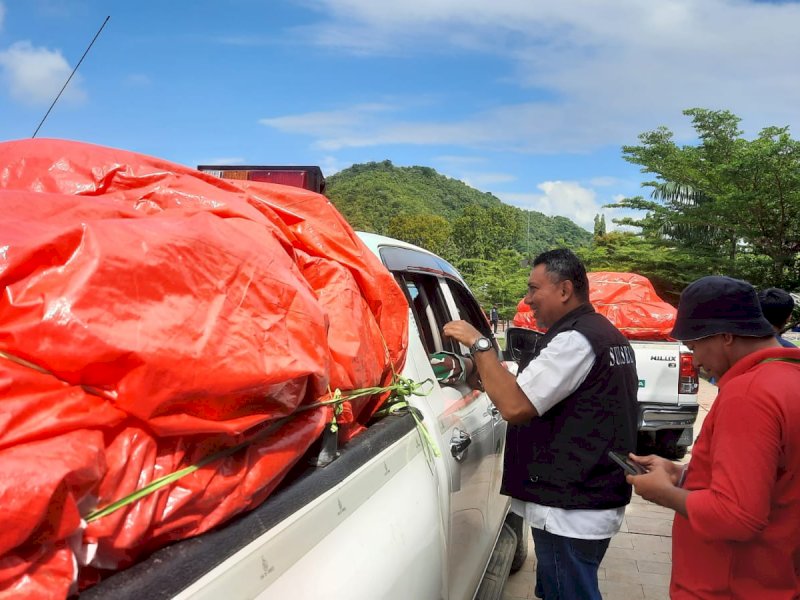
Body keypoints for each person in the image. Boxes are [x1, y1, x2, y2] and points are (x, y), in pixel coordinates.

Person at [443, 249, 638, 600]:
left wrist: (479, 343)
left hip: (572, 505)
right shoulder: (603, 334)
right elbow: (541, 392)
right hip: (586, 496)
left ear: (564, 290)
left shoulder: (575, 340)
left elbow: (516, 406)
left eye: (534, 289)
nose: (527, 299)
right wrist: (485, 374)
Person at [627, 276, 800, 599]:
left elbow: (737, 516)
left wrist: (663, 493)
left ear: (726, 336)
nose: (697, 361)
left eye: (694, 347)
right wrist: (682, 474)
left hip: (725, 586)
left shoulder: (748, 393)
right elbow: (770, 480)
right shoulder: (788, 378)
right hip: (773, 579)